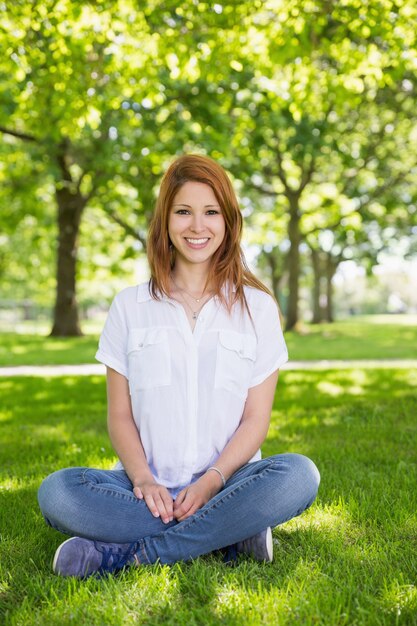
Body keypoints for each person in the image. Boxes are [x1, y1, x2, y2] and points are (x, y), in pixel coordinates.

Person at [38, 154, 320, 578]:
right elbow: (119, 415)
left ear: (228, 221)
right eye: (183, 212)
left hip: (229, 485)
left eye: (211, 212)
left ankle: (131, 556)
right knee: (58, 493)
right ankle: (230, 535)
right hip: (141, 492)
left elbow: (256, 419)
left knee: (299, 474)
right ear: (165, 220)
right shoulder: (129, 306)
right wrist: (145, 481)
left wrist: (210, 483)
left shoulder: (258, 309)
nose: (197, 226)